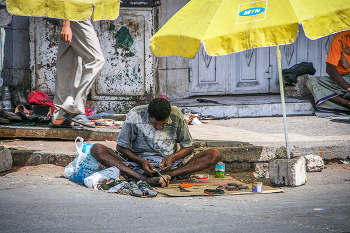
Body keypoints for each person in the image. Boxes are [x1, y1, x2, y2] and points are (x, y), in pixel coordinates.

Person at [90, 98, 222, 188]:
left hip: (172, 166)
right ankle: (145, 179)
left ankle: (167, 176)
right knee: (97, 149)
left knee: (215, 154)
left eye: (164, 124)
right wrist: (140, 161)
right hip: (137, 164)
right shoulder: (135, 114)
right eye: (155, 124)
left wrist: (172, 157)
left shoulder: (177, 115)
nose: (159, 128)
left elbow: (189, 147)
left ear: (169, 115)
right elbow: (121, 147)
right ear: (148, 114)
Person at [51, 19, 105, 128]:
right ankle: (75, 108)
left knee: (68, 62)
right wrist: (66, 23)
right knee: (96, 59)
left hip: (73, 14)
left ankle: (60, 115)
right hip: (77, 13)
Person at [306, 30, 350, 112]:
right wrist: (348, 88)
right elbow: (330, 68)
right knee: (312, 82)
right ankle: (347, 104)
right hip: (341, 80)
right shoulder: (341, 37)